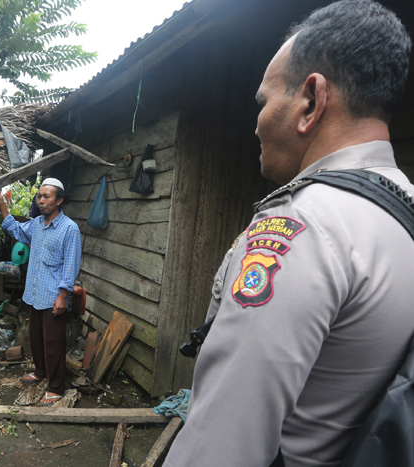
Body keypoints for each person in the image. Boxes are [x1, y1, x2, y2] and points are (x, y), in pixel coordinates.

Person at [164, 2, 414, 466]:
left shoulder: (301, 229)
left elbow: (220, 449)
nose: (256, 122)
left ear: (311, 101)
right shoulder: (402, 214)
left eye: (263, 101)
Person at [0, 177, 82, 406]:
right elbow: (15, 229)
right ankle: (41, 371)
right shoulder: (36, 225)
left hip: (53, 296)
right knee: (36, 338)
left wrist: (63, 295)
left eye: (47, 197)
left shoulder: (69, 229)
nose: (41, 201)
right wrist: (2, 206)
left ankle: (56, 386)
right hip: (34, 294)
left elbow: (71, 265)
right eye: (39, 196)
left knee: (53, 343)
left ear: (59, 200)